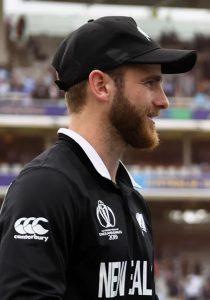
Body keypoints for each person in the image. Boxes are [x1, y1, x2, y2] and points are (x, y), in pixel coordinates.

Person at [0, 16, 196, 299]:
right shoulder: (44, 188)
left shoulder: (131, 196)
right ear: (101, 85)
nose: (163, 100)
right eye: (151, 83)